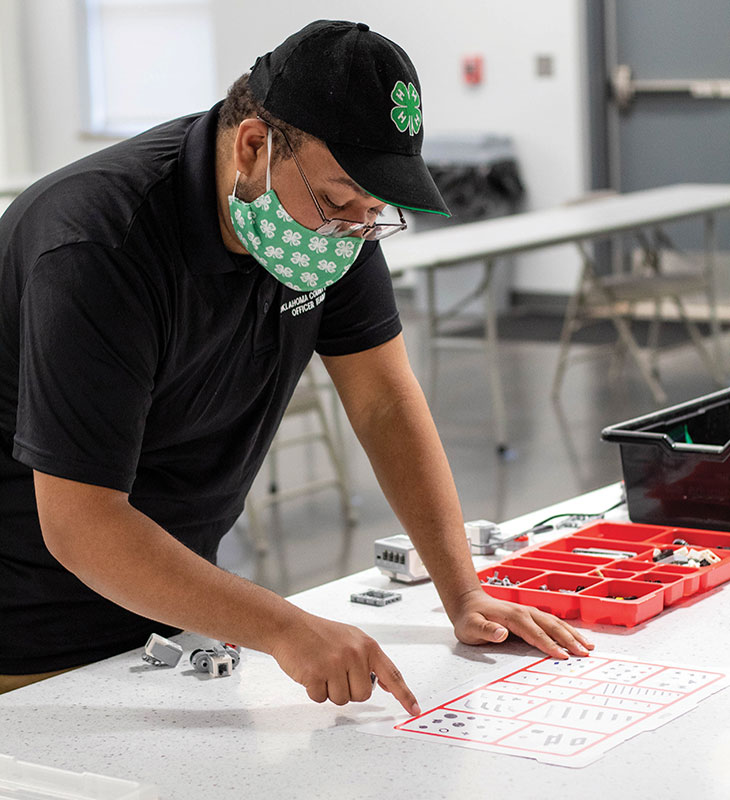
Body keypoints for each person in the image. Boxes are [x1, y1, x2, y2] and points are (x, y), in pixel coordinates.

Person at [0, 19, 593, 707]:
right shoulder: (99, 246)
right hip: (26, 636)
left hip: (177, 622)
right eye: (340, 202)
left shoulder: (328, 225)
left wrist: (464, 593)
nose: (354, 227)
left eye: (373, 209)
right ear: (254, 144)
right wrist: (284, 627)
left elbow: (384, 402)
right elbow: (81, 523)